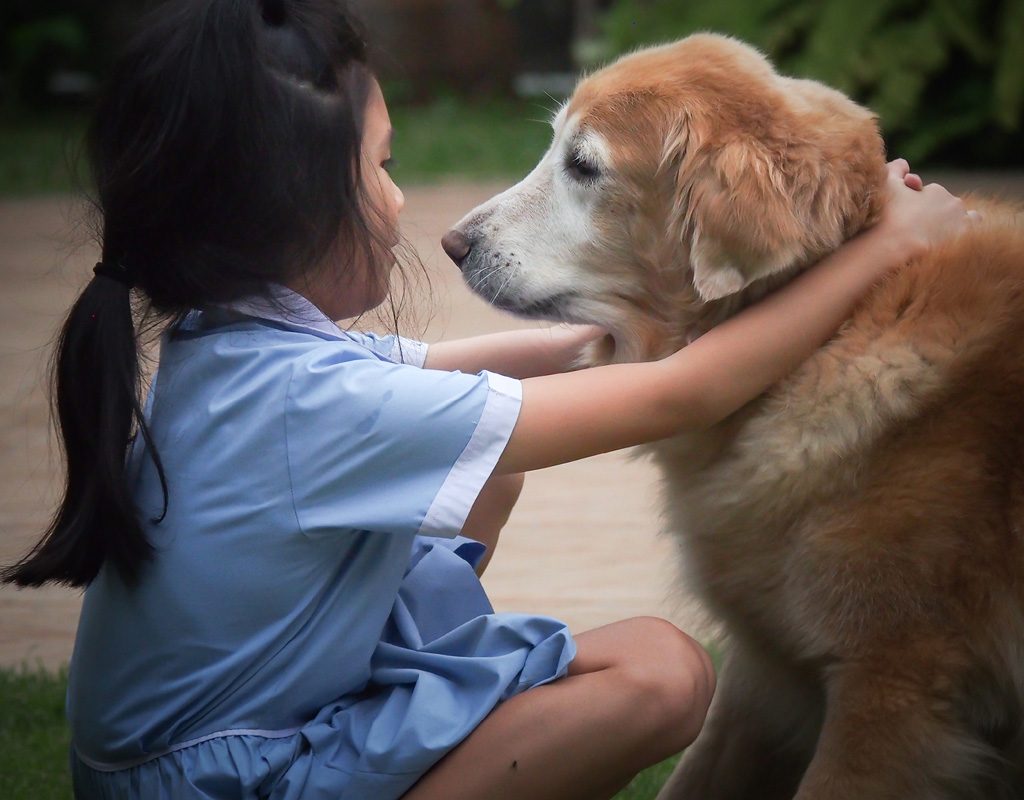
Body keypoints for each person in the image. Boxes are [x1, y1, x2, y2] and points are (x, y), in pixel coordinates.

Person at [1, 1, 976, 798]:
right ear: (290, 209)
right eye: (381, 168)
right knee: (661, 671)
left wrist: (611, 330)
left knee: (488, 444)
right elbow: (687, 392)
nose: (411, 207)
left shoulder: (235, 347)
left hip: (188, 751)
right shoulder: (317, 409)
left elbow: (489, 372)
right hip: (236, 777)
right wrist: (887, 245)